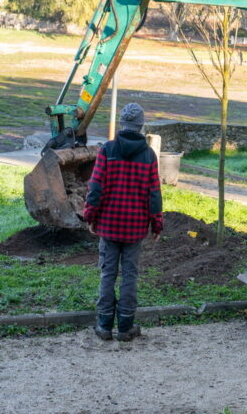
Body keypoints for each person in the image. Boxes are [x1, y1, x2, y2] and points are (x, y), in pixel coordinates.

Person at [82, 102, 163, 341]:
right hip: (135, 227)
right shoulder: (148, 155)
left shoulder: (108, 150)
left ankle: (104, 325)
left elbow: (95, 188)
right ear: (141, 126)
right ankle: (126, 326)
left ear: (122, 124)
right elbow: (154, 193)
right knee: (130, 275)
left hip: (108, 225)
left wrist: (90, 216)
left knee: (108, 274)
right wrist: (156, 223)